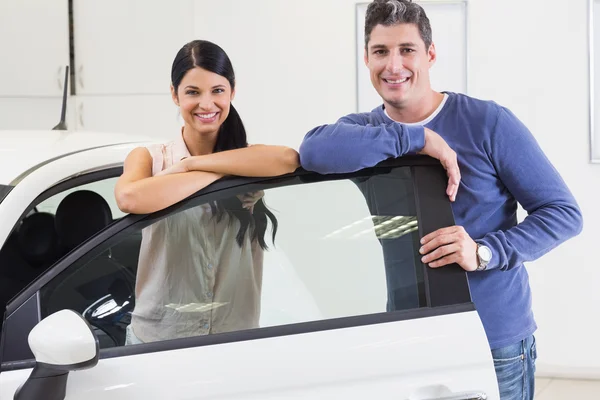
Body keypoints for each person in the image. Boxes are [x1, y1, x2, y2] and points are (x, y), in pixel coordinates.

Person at [298, 1, 583, 399]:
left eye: (407, 50)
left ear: (430, 54)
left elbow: (563, 213)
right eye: (380, 51)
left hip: (492, 340)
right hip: (411, 337)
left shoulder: (487, 122)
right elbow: (313, 152)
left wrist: (484, 251)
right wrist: (418, 138)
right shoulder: (364, 132)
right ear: (366, 59)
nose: (393, 65)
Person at [114, 39, 299, 344]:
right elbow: (129, 197)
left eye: (217, 91)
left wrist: (192, 166)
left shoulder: (250, 158)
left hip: (233, 340)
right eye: (192, 92)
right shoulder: (150, 158)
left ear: (232, 91)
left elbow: (288, 159)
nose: (206, 104)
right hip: (159, 340)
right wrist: (221, 170)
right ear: (174, 94)